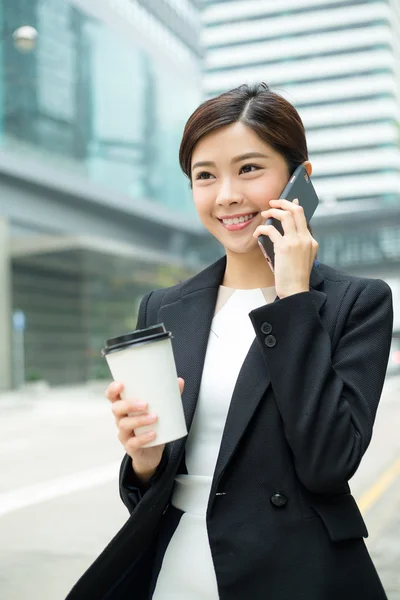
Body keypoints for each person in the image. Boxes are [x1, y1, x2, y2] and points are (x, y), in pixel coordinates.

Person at [66, 83, 393, 600]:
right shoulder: (164, 306)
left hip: (298, 574)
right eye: (204, 176)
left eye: (249, 169)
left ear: (298, 179)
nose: (226, 196)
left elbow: (328, 464)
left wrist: (292, 298)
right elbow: (160, 479)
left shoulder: (357, 303)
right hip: (176, 569)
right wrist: (145, 459)